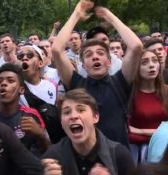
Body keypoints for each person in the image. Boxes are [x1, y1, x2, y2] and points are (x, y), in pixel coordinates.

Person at [51, 0, 143, 147]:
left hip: (118, 159)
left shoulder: (120, 81)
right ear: (83, 65)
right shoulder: (77, 84)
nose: (94, 56)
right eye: (88, 54)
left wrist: (110, 17)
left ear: (109, 62)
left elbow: (136, 46)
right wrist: (76, 14)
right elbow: (56, 49)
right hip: (85, 157)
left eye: (100, 53)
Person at [41, 89, 135, 175]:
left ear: (95, 117)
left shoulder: (118, 155)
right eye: (67, 112)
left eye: (81, 110)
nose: (73, 116)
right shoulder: (53, 158)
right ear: (61, 122)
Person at [0, 63, 49, 155]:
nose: (3, 83)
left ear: (21, 90)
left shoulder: (31, 115)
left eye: (10, 81)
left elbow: (48, 150)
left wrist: (40, 134)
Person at [128, 50, 168, 164]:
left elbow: (133, 130)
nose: (151, 65)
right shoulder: (129, 94)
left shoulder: (166, 92)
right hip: (137, 153)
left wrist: (141, 131)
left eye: (154, 61)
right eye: (144, 62)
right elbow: (127, 131)